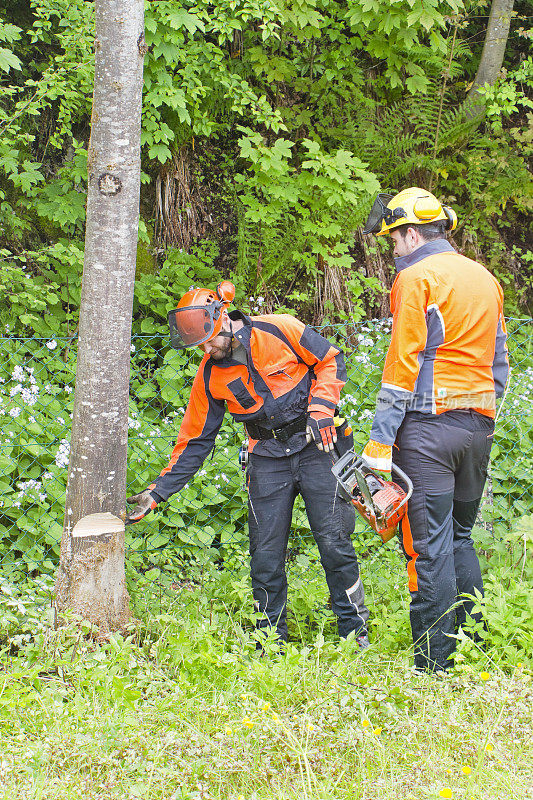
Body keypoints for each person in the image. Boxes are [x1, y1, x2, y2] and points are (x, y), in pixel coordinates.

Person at [127, 281, 369, 647]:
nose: (206, 349)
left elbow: (331, 359)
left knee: (335, 544)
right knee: (265, 556)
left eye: (209, 339)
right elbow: (194, 441)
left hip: (317, 446)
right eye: (199, 347)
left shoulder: (279, 328)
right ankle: (270, 641)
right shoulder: (209, 376)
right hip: (266, 459)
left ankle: (355, 633)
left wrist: (321, 406)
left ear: (222, 316)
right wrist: (156, 493)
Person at [361, 187, 509, 672]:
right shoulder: (485, 278)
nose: (392, 250)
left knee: (428, 548)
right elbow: (500, 364)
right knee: (460, 537)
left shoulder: (416, 276)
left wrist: (380, 444)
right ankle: (474, 642)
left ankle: (435, 662)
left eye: (393, 239)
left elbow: (402, 363)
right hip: (478, 425)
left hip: (426, 430)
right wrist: (481, 413)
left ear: (409, 232)